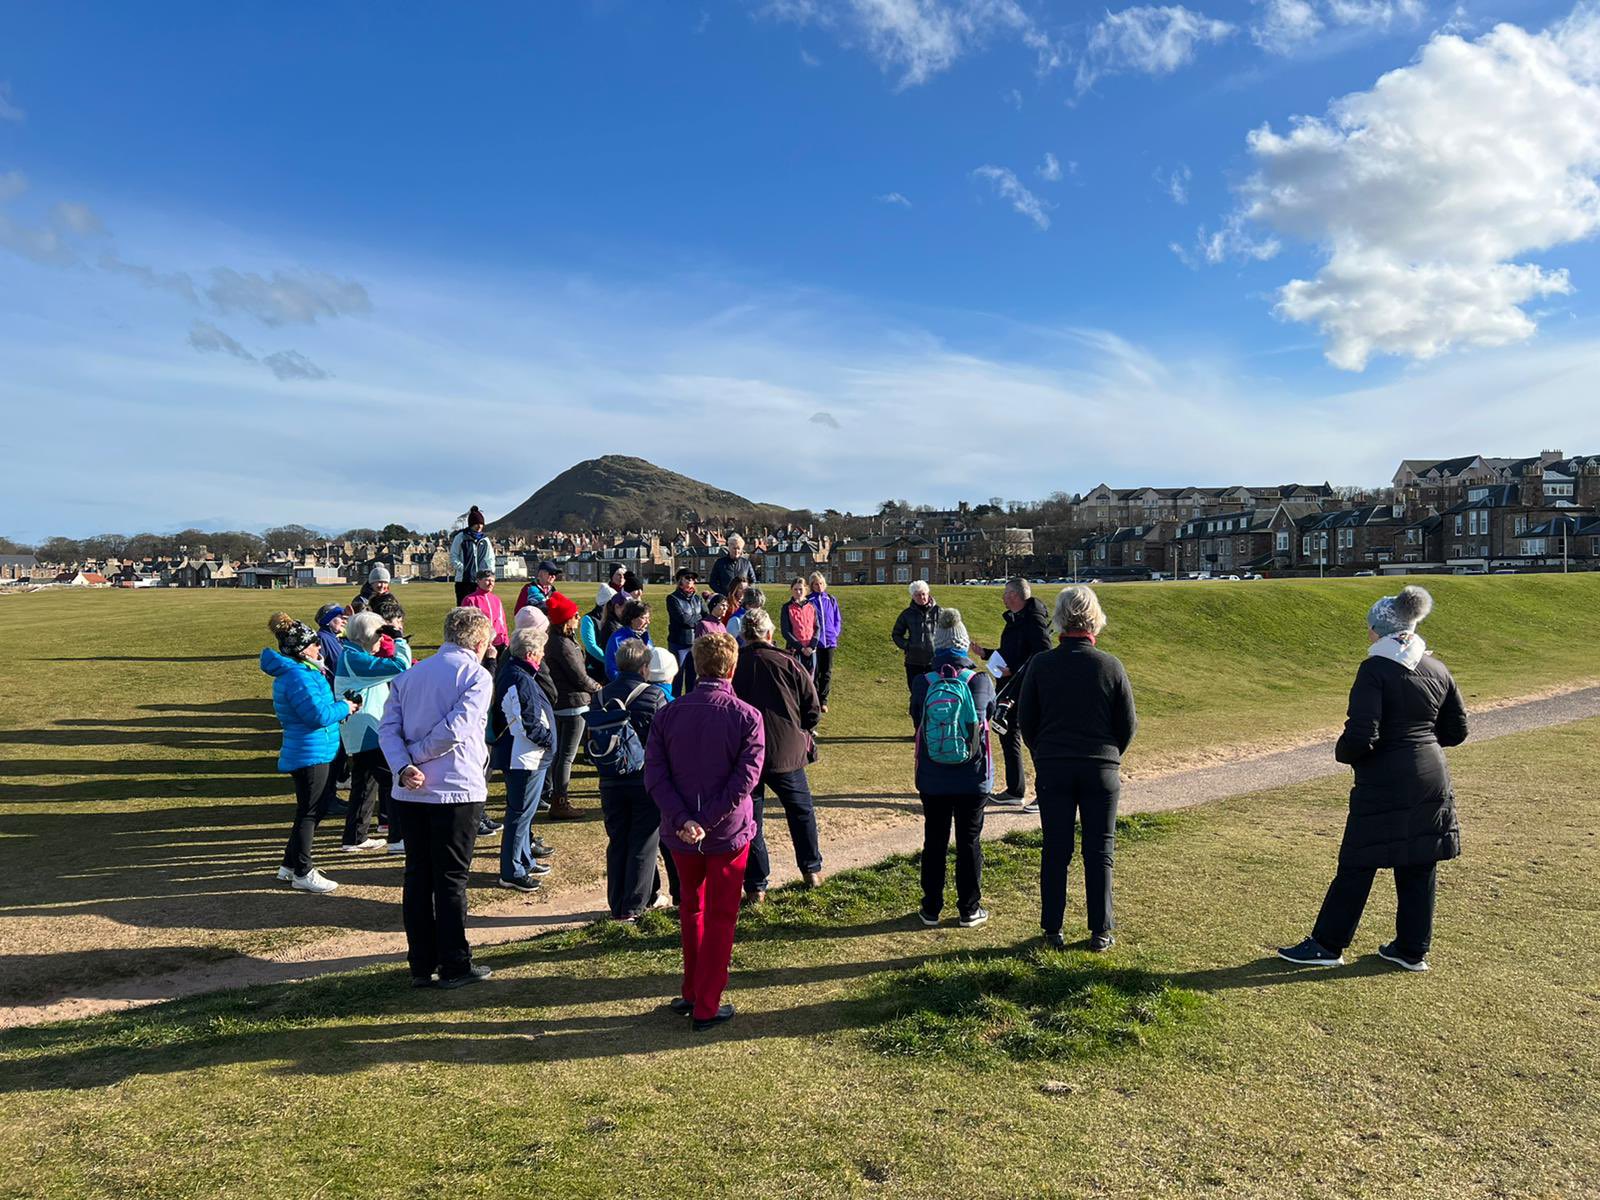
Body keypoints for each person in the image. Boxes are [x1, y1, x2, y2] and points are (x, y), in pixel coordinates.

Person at [1279, 586, 1468, 973]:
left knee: (1357, 861)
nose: (1367, 634)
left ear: (1381, 629)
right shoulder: (1437, 668)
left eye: (1369, 627)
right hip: (1431, 774)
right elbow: (1456, 730)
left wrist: (1344, 753)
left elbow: (1363, 735)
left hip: (1386, 777)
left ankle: (1328, 944)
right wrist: (1421, 742)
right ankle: (1411, 949)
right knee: (1419, 860)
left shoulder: (1375, 668)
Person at [643, 632, 764, 1032]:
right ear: (732, 668)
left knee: (691, 909)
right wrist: (704, 820)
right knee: (720, 915)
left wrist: (683, 819)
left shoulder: (668, 713)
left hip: (683, 832)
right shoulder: (747, 716)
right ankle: (706, 1002)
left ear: (695, 665)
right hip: (725, 832)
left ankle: (694, 991)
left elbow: (655, 775)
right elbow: (744, 781)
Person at [379, 606, 496, 989]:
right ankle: (454, 963)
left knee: (418, 877)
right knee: (449, 880)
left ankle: (421, 964)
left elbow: (387, 730)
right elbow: (457, 728)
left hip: (411, 791)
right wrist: (413, 759)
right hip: (454, 789)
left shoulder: (410, 676)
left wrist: (402, 765)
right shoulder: (475, 675)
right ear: (479, 643)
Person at [1015, 586, 1137, 952]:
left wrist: (1043, 755)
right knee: (1100, 850)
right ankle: (1100, 930)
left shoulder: (1041, 664)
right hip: (1100, 766)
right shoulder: (1110, 666)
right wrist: (1111, 755)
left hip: (1054, 767)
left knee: (1056, 849)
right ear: (1094, 619)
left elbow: (1027, 721)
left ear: (1060, 619)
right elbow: (1127, 725)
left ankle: (1053, 928)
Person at [909, 607, 996, 929]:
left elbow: (917, 718)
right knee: (969, 841)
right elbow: (988, 715)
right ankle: (969, 908)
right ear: (963, 644)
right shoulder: (980, 681)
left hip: (932, 776)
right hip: (972, 777)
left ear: (938, 645)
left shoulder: (923, 682)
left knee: (934, 840)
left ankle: (931, 907)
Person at [261, 612, 357, 894]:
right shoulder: (298, 676)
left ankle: (289, 865)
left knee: (311, 809)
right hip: (309, 753)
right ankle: (303, 870)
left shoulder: (304, 672)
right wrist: (346, 708)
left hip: (314, 750)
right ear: (302, 650)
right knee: (311, 812)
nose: (319, 648)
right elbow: (316, 715)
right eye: (315, 644)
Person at [733, 607, 824, 902]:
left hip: (746, 755)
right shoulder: (788, 662)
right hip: (786, 751)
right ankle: (811, 869)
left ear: (744, 636)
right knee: (800, 811)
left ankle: (756, 885)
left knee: (751, 821)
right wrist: (804, 729)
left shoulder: (734, 666)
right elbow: (812, 708)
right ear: (770, 634)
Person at [595, 638, 672, 919]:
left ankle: (618, 903)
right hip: (644, 778)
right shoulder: (654, 696)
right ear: (644, 667)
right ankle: (634, 907)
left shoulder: (601, 696)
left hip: (610, 778)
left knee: (618, 840)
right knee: (643, 840)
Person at [334, 611, 414, 853]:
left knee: (365, 784)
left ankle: (354, 837)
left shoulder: (352, 654)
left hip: (361, 731)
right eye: (379, 636)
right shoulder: (356, 661)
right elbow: (401, 666)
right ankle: (398, 838)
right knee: (393, 780)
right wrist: (399, 639)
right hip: (369, 731)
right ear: (367, 636)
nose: (381, 641)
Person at [971, 576, 1051, 811]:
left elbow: (1043, 653)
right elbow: (1013, 652)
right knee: (1008, 736)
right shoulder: (1015, 620)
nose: (1002, 598)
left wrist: (1014, 669)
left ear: (1015, 596)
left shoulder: (1034, 619)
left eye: (1005, 593)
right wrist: (986, 653)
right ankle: (1015, 791)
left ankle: (1046, 793)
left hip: (1026, 690)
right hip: (1008, 689)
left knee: (1032, 740)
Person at [490, 625, 557, 894]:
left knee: (525, 814)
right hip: (524, 758)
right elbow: (527, 723)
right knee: (518, 815)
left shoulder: (518, 673)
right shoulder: (519, 678)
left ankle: (524, 861)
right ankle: (512, 870)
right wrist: (550, 740)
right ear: (530, 653)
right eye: (540, 651)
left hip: (527, 756)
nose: (542, 656)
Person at [544, 591, 603, 822]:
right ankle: (560, 801)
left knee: (560, 755)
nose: (579, 618)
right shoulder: (564, 645)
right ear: (566, 619)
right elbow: (579, 677)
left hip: (564, 702)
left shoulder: (560, 641)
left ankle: (556, 796)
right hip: (573, 704)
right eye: (575, 615)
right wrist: (599, 689)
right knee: (566, 756)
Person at [893, 581, 941, 724]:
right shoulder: (906, 614)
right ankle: (918, 729)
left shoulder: (940, 612)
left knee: (936, 696)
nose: (922, 597)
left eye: (924, 594)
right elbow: (896, 634)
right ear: (913, 597)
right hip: (914, 662)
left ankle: (935, 729)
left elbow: (948, 633)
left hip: (935, 661)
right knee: (916, 696)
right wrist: (908, 645)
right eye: (918, 595)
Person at [665, 568, 706, 696]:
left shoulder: (697, 599)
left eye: (692, 578)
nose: (690, 580)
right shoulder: (672, 598)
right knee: (677, 676)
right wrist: (697, 619)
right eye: (687, 578)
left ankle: (690, 703)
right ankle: (674, 703)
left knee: (692, 677)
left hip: (694, 643)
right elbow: (683, 619)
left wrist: (694, 619)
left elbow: (706, 615)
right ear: (680, 580)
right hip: (679, 643)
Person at [807, 572, 842, 713]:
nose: (819, 586)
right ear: (811, 585)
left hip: (830, 641)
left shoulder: (830, 599)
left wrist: (835, 633)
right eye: (816, 584)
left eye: (821, 583)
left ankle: (823, 700)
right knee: (815, 672)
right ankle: (814, 699)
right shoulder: (808, 600)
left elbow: (837, 619)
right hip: (815, 642)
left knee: (826, 672)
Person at [448, 507, 496, 604]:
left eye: (481, 524)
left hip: (481, 582)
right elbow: (453, 556)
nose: (479, 526)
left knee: (480, 609)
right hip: (463, 581)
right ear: (471, 524)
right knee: (463, 610)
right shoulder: (461, 537)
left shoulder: (485, 540)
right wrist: (465, 569)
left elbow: (490, 559)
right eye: (477, 524)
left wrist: (488, 574)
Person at [461, 569, 509, 666]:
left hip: (498, 643)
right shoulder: (470, 600)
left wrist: (505, 639)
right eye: (487, 580)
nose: (490, 583)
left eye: (493, 581)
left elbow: (502, 621)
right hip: (480, 643)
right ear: (478, 581)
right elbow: (466, 624)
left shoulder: (496, 599)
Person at [780, 577, 820, 678]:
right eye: (795, 589)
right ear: (791, 590)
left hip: (811, 650)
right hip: (795, 650)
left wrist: (811, 646)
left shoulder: (812, 606)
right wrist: (801, 648)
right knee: (795, 680)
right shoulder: (787, 607)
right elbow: (785, 631)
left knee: (810, 680)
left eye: (801, 589)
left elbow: (817, 628)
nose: (798, 592)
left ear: (806, 589)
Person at [604, 599, 653, 680]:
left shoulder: (645, 634)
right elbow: (611, 669)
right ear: (632, 618)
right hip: (627, 686)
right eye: (644, 618)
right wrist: (627, 684)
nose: (648, 622)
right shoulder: (617, 639)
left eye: (648, 618)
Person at [581, 583, 617, 678]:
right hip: (595, 667)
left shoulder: (614, 619)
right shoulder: (588, 619)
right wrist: (609, 660)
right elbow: (591, 646)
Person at [315, 603, 349, 678]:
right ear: (329, 619)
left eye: (345, 619)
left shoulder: (340, 637)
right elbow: (319, 668)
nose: (345, 622)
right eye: (341, 618)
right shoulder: (322, 638)